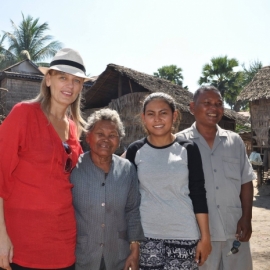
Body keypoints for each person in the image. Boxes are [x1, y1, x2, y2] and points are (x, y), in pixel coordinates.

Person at [0, 48, 90, 270]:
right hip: (20, 243)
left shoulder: (74, 128)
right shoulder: (23, 114)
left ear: (81, 87)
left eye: (76, 81)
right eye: (62, 77)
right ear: (48, 79)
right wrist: (1, 236)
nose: (69, 85)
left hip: (63, 243)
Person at [126, 92, 211, 270]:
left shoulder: (188, 149)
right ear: (143, 118)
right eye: (151, 114)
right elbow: (130, 198)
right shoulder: (136, 150)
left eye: (163, 113)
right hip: (147, 236)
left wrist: (205, 237)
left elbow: (198, 193)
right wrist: (133, 243)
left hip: (184, 235)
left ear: (174, 115)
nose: (157, 119)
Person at [177, 86, 255, 270]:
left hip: (233, 230)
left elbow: (246, 181)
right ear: (192, 107)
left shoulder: (234, 141)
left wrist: (247, 218)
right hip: (198, 234)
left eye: (219, 104)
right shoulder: (179, 143)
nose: (214, 108)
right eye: (207, 103)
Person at [70, 108, 144, 270]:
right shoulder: (74, 167)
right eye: (100, 134)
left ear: (118, 140)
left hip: (118, 256)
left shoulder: (127, 169)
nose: (106, 140)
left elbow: (132, 210)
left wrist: (134, 250)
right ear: (88, 136)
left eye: (112, 135)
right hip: (81, 255)